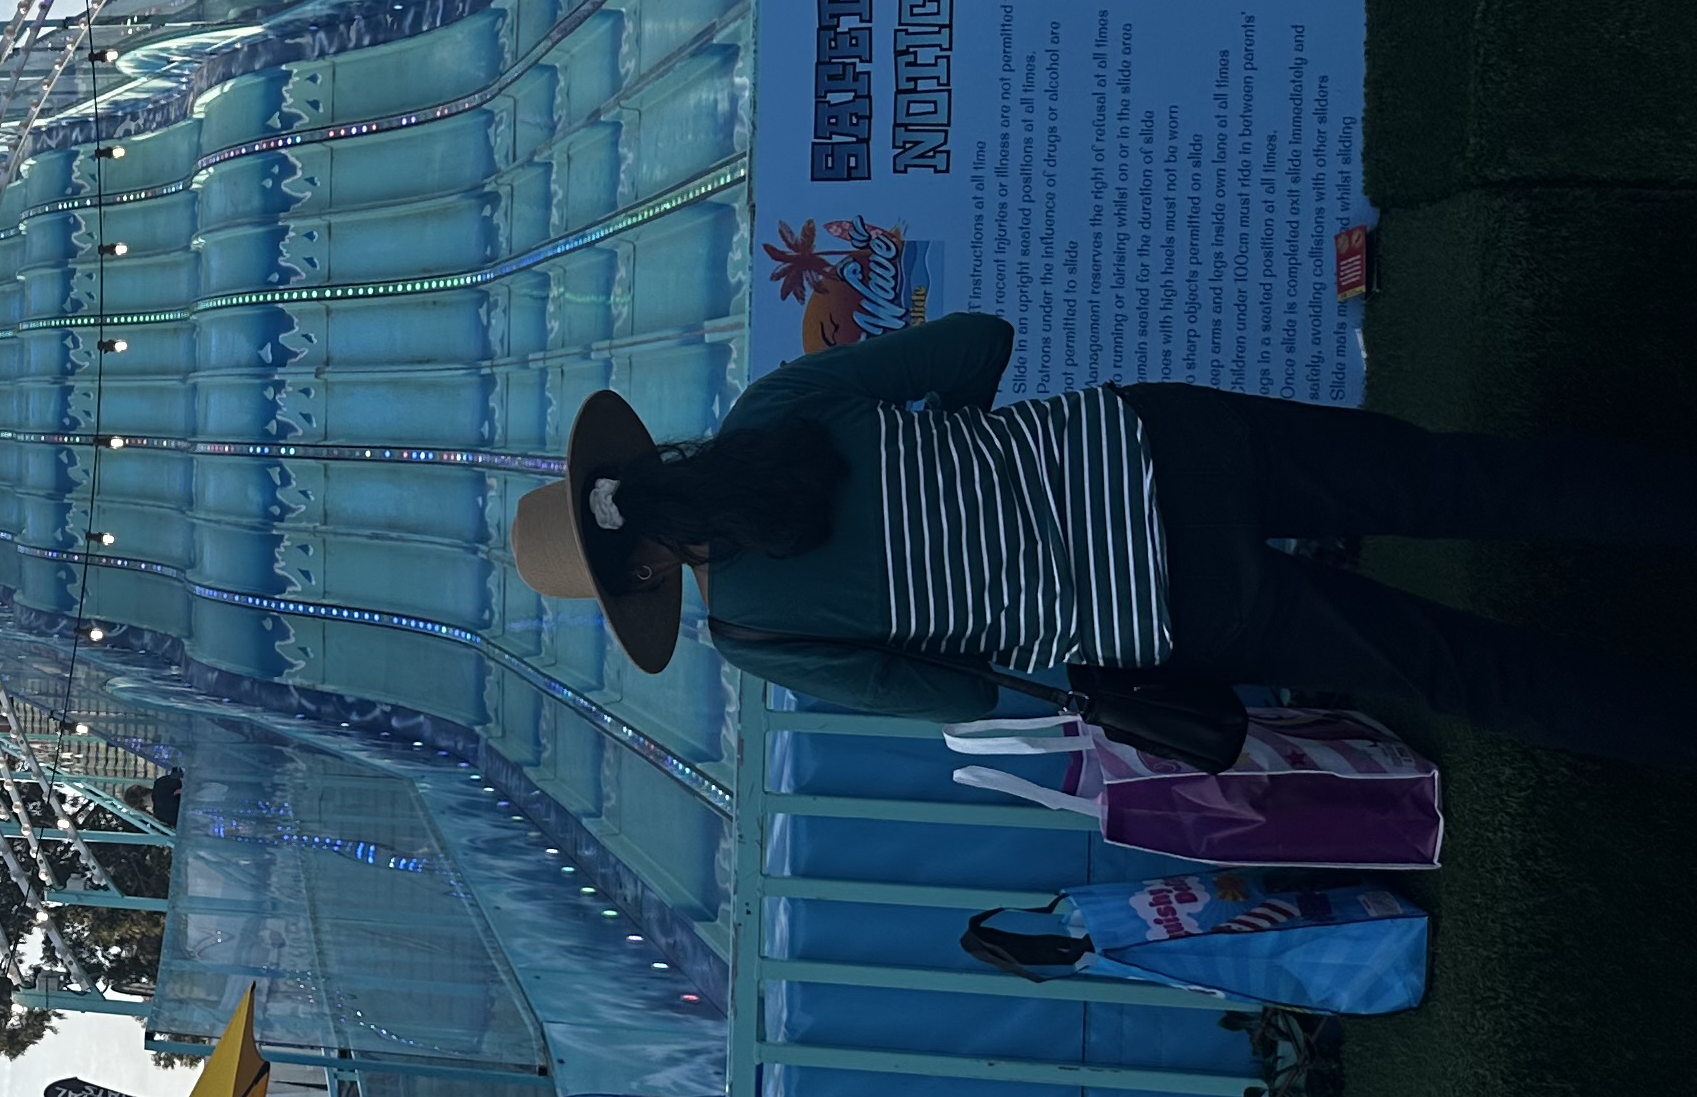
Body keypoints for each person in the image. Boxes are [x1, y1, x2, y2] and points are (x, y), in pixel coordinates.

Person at [505, 311, 1697, 770]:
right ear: (644, 463)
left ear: (645, 576)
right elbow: (978, 343)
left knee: (1456, 670)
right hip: (1169, 446)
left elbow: (953, 689)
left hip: (1172, 606)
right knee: (1456, 480)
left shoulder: (756, 631)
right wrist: (967, 465)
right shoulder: (776, 410)